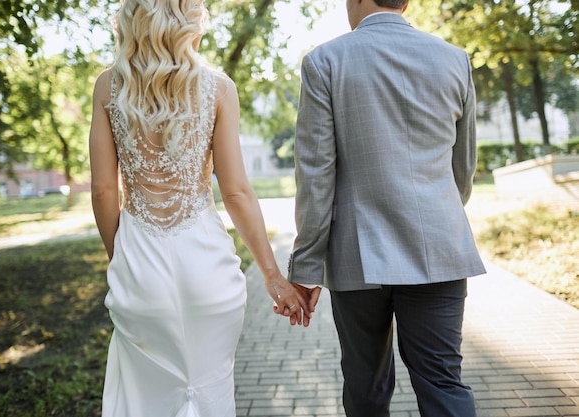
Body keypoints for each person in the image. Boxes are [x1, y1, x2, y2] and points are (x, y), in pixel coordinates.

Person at [88, 0, 310, 415]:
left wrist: (122, 260)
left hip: (140, 267)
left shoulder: (108, 86)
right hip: (209, 270)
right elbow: (237, 192)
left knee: (147, 398)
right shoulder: (218, 88)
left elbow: (103, 190)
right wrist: (272, 275)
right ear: (191, 17)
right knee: (209, 392)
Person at [287, 1, 487, 416]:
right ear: (407, 2)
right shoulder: (454, 59)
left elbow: (316, 176)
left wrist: (306, 269)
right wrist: (439, 216)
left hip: (357, 255)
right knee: (443, 382)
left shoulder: (324, 62)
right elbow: (463, 168)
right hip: (439, 249)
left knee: (366, 387)